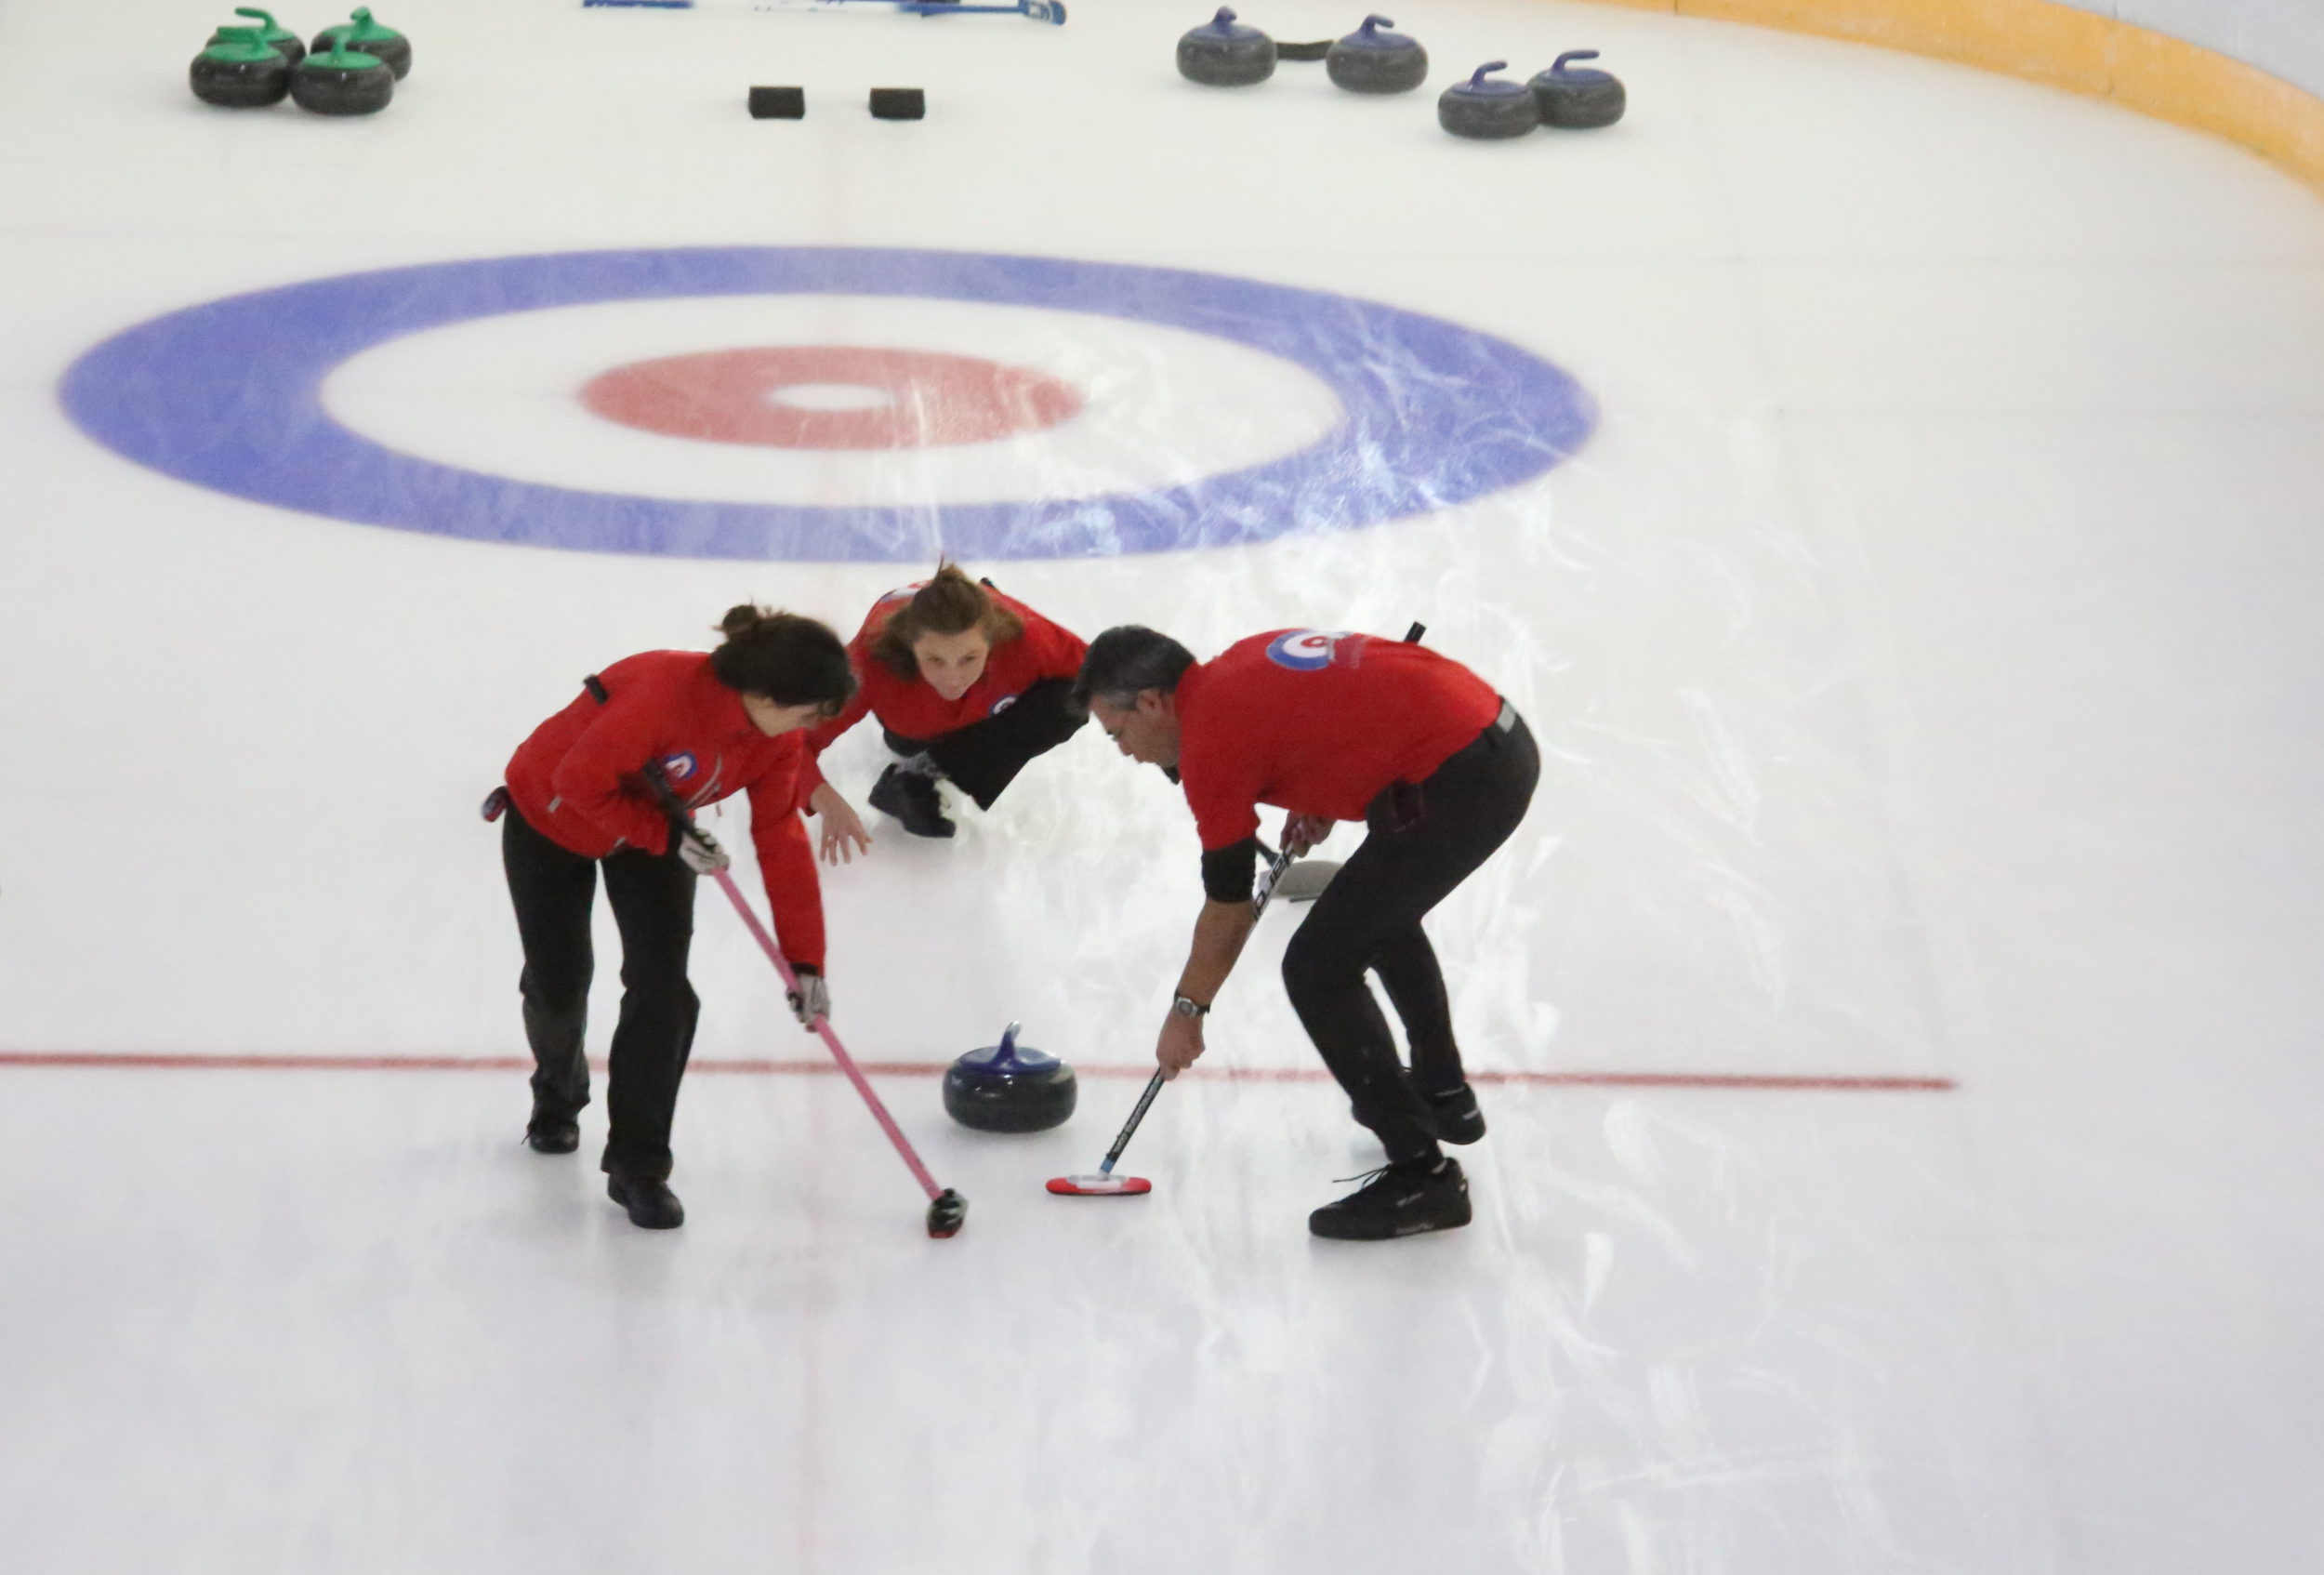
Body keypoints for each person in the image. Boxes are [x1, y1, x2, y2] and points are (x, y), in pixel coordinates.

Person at [1076, 625, 1538, 1240]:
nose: (1126, 752)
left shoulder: (1211, 745)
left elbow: (1228, 910)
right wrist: (1317, 783)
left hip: (1464, 774)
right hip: (1492, 738)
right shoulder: (1234, 668)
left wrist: (1187, 1011)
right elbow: (1338, 703)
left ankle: (1422, 1175)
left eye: (1119, 732)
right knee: (1374, 912)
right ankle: (1440, 1090)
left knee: (1318, 966)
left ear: (1153, 702)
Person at [490, 605, 857, 1230]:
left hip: (656, 830)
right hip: (552, 816)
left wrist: (806, 962)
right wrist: (661, 835)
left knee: (665, 992)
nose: (811, 727)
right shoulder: (662, 694)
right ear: (762, 695)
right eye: (808, 712)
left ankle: (638, 1165)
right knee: (560, 978)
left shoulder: (777, 736)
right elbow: (577, 781)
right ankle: (557, 1092)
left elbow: (781, 839)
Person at [800, 565, 1089, 853]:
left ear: (993, 640)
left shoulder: (1026, 640)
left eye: (969, 659)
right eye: (934, 660)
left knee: (1072, 699)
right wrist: (824, 799)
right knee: (906, 742)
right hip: (913, 727)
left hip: (986, 703)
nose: (952, 680)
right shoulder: (870, 664)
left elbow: (1096, 673)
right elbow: (787, 746)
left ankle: (923, 771)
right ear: (910, 646)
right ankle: (920, 756)